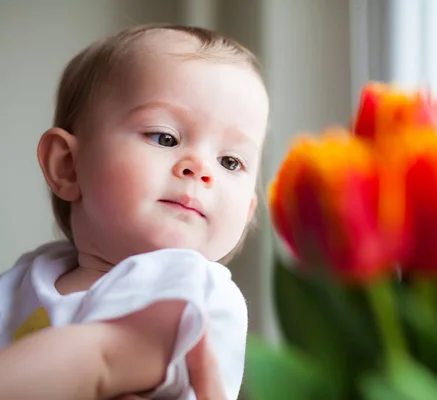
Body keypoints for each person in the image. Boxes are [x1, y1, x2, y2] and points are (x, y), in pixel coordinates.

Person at [0, 23, 269, 400]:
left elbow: (99, 361)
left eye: (230, 161)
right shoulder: (26, 278)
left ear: (247, 214)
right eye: (165, 138)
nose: (201, 169)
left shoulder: (193, 288)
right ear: (68, 167)